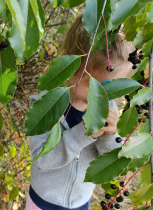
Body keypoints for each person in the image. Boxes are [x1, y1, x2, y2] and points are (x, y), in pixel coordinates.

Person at [26, 15, 134, 210]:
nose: (105, 95)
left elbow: (109, 163)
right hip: (42, 202)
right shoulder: (44, 106)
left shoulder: (108, 109)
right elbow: (41, 158)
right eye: (100, 86)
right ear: (72, 69)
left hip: (80, 203)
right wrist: (83, 134)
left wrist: (110, 136)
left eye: (116, 88)